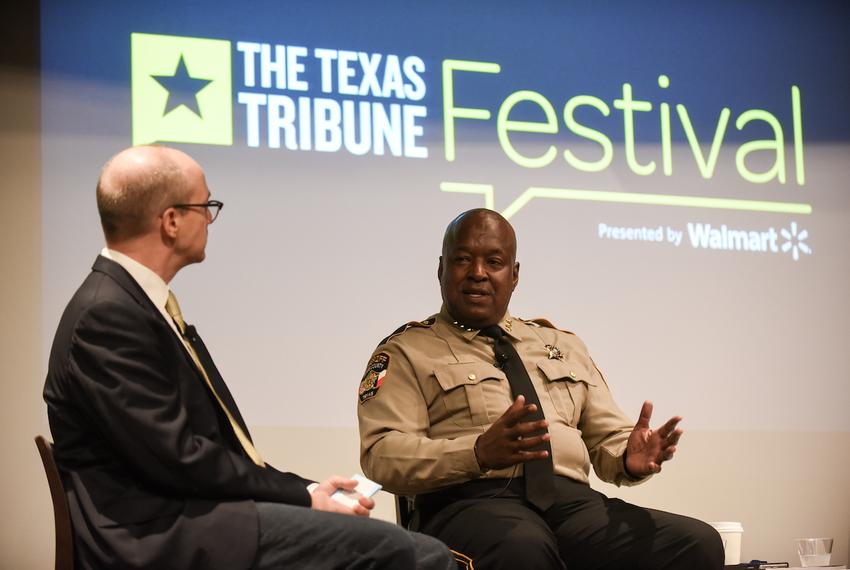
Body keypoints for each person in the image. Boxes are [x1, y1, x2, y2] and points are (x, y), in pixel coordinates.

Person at [43, 145, 454, 570]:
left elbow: (207, 452)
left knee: (419, 552)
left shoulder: (133, 305)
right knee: (402, 551)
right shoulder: (108, 315)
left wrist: (308, 489)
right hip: (157, 534)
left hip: (187, 514)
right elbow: (180, 459)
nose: (209, 218)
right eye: (206, 206)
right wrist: (304, 498)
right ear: (171, 221)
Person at [357, 208, 725, 570]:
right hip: (469, 504)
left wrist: (628, 457)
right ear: (441, 269)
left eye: (494, 262)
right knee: (525, 548)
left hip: (571, 505)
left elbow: (607, 436)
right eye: (463, 259)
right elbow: (381, 455)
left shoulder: (561, 344)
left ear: (514, 275)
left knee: (696, 543)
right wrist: (478, 452)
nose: (478, 273)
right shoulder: (406, 351)